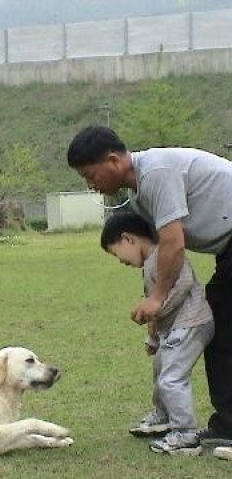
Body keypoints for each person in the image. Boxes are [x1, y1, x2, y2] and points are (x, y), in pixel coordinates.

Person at [67, 125, 232, 460]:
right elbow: (155, 253)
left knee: (224, 325)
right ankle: (226, 425)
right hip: (227, 248)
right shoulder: (140, 193)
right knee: (223, 330)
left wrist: (156, 299)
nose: (90, 185)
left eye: (90, 174)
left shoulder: (156, 173)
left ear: (113, 160)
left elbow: (173, 242)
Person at [101, 212, 214, 455]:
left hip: (193, 322)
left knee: (172, 377)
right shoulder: (151, 264)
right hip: (175, 328)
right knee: (161, 369)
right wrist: (152, 337)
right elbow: (154, 308)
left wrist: (155, 305)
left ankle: (186, 433)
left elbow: (182, 286)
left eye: (115, 252)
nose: (119, 261)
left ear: (128, 239)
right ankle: (164, 416)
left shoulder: (165, 254)